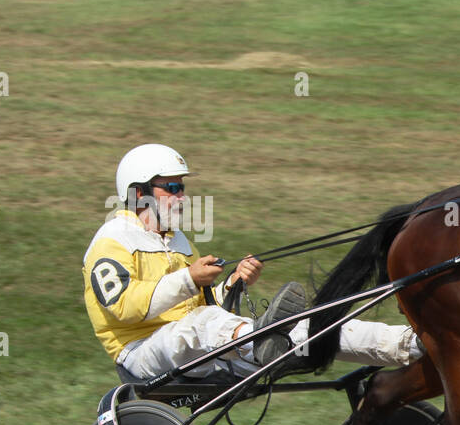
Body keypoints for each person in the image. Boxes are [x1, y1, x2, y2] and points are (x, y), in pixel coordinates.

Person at [82, 144, 422, 380]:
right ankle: (262, 340)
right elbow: (123, 307)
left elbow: (201, 305)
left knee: (310, 325)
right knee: (206, 324)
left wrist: (232, 283)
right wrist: (189, 278)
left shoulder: (177, 242)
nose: (182, 197)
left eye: (182, 187)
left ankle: (412, 343)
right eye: (172, 187)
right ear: (138, 193)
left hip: (191, 341)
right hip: (141, 353)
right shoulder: (113, 240)